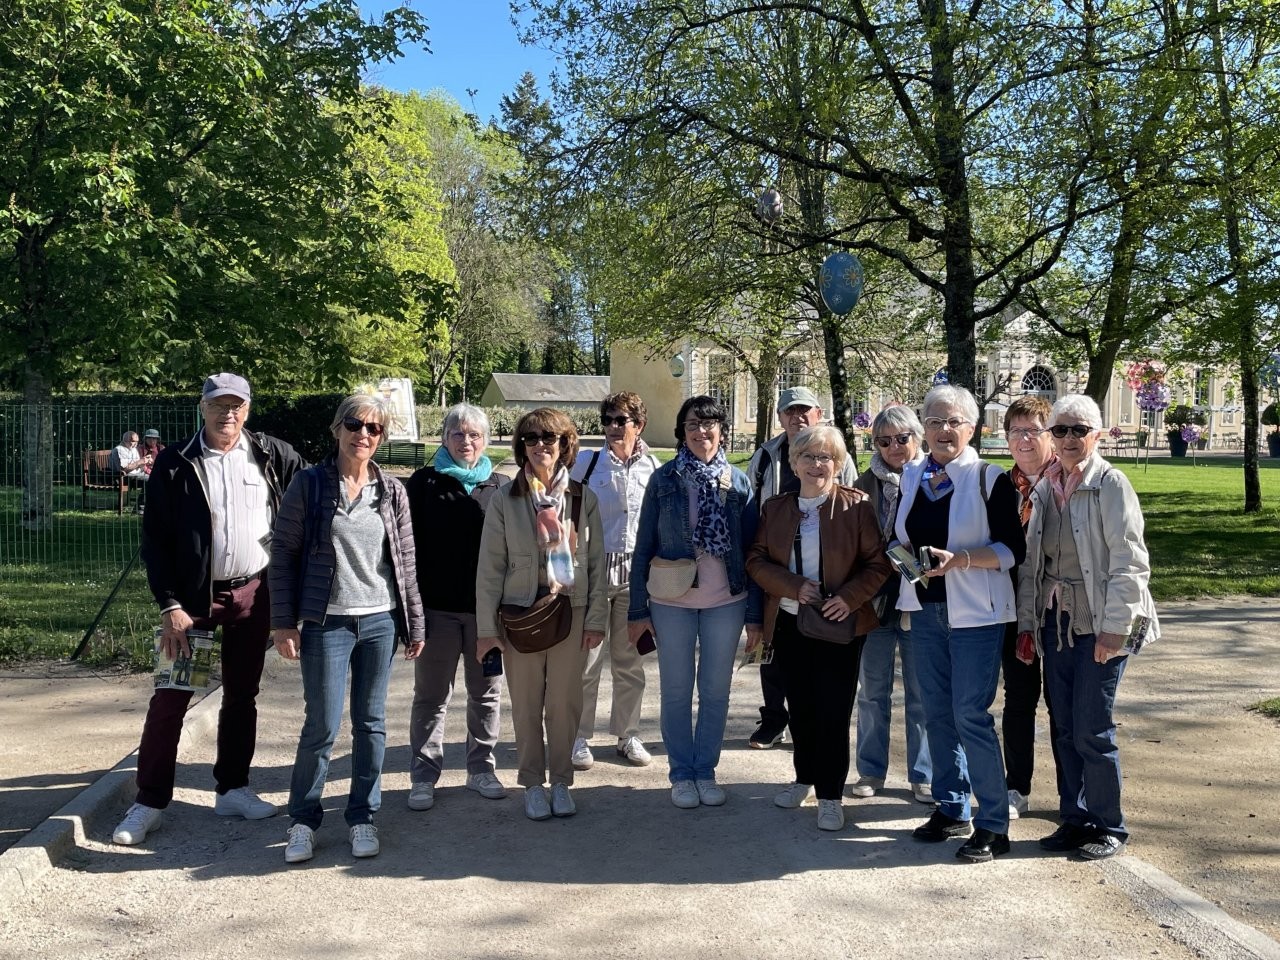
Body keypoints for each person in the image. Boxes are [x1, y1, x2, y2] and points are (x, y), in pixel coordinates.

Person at [112, 373, 305, 846]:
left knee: (242, 695)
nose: (228, 414)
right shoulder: (176, 462)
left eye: (237, 406)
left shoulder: (270, 454)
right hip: (193, 602)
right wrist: (169, 604)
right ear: (202, 408)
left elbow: (316, 490)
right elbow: (155, 540)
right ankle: (149, 801)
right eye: (219, 405)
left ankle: (233, 788)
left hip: (254, 593)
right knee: (171, 697)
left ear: (248, 410)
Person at [270, 394, 425, 863]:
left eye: (374, 429)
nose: (363, 435)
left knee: (371, 724)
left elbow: (405, 562)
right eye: (355, 425)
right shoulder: (310, 485)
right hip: (327, 622)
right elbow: (283, 555)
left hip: (380, 621)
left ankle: (362, 816)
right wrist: (283, 623)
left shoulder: (392, 491)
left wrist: (415, 622)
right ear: (337, 428)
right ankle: (303, 820)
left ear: (382, 437)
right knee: (321, 725)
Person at [1016, 394, 1158, 861]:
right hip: (1055, 621)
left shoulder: (1110, 484)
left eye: (1079, 430)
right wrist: (1027, 624)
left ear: (1097, 435)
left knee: (1092, 729)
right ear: (1051, 436)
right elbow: (1032, 565)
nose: (1069, 438)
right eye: (1060, 430)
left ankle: (1109, 826)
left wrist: (1115, 630)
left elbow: (1131, 564)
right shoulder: (1045, 486)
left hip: (1101, 621)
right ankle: (1074, 819)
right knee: (1063, 726)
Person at [893, 384, 1025, 863]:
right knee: (936, 712)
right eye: (934, 421)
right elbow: (902, 535)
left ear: (973, 429)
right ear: (923, 428)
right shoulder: (913, 476)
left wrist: (961, 560)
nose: (943, 430)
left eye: (954, 422)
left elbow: (1013, 550)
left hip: (977, 615)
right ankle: (951, 807)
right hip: (925, 609)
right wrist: (904, 559)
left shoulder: (990, 479)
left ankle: (993, 823)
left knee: (970, 714)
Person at [747, 425, 891, 831]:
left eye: (825, 457)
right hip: (789, 621)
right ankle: (804, 778)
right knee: (800, 707)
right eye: (807, 456)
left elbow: (878, 564)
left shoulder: (856, 506)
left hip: (838, 623)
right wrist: (793, 585)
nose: (816, 464)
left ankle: (830, 795)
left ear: (838, 464)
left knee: (833, 710)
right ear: (794, 463)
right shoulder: (776, 508)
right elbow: (756, 560)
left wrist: (848, 598)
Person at [629, 395, 763, 809]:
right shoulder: (664, 479)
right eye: (692, 424)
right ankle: (681, 774)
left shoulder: (738, 482)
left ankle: (705, 771)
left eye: (709, 424)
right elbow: (643, 546)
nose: (701, 432)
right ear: (682, 432)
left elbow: (753, 552)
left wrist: (755, 615)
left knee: (715, 691)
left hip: (727, 600)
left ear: (721, 430)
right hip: (672, 600)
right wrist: (638, 610)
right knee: (676, 690)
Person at [475, 408, 608, 821]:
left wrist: (596, 619)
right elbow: (490, 568)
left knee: (566, 703)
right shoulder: (506, 499)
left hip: (571, 609)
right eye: (530, 438)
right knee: (527, 703)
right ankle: (532, 783)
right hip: (520, 615)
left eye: (548, 438)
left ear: (564, 444)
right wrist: (486, 629)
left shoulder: (582, 498)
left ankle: (562, 782)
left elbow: (597, 564)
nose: (539, 446)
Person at [404, 404, 511, 812]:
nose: (466, 441)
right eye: (458, 434)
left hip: (488, 615)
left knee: (486, 694)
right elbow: (406, 549)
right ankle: (423, 775)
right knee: (431, 696)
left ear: (485, 440)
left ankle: (481, 769)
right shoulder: (423, 483)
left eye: (474, 435)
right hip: (437, 611)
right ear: (444, 438)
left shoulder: (501, 486)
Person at [745, 387, 856, 749]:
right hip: (775, 567)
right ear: (780, 418)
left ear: (818, 413)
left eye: (804, 410)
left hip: (826, 573)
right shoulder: (766, 456)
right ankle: (773, 719)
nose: (797, 417)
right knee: (770, 647)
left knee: (818, 652)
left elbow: (851, 504)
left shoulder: (836, 452)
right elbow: (752, 506)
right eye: (789, 411)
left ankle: (808, 722)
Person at [570, 391, 660, 770]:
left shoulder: (653, 467)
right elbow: (565, 511)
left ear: (639, 424)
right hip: (592, 575)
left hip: (635, 579)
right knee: (585, 662)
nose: (612, 427)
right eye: (607, 420)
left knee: (629, 663)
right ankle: (577, 736)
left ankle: (628, 734)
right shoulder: (587, 464)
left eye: (620, 420)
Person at [850, 404, 932, 804]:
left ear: (918, 437)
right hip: (875, 599)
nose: (894, 447)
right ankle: (870, 770)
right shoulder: (863, 484)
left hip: (921, 598)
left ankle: (923, 773)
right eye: (884, 441)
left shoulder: (935, 478)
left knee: (922, 693)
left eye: (902, 438)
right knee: (872, 690)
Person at [1001, 395, 1060, 820]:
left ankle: (1071, 796)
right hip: (1014, 610)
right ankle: (1016, 787)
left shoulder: (1066, 483)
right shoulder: (1000, 487)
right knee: (1019, 700)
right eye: (1015, 431)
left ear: (1050, 436)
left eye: (1033, 430)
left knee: (1061, 704)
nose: (1024, 439)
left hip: (1058, 610)